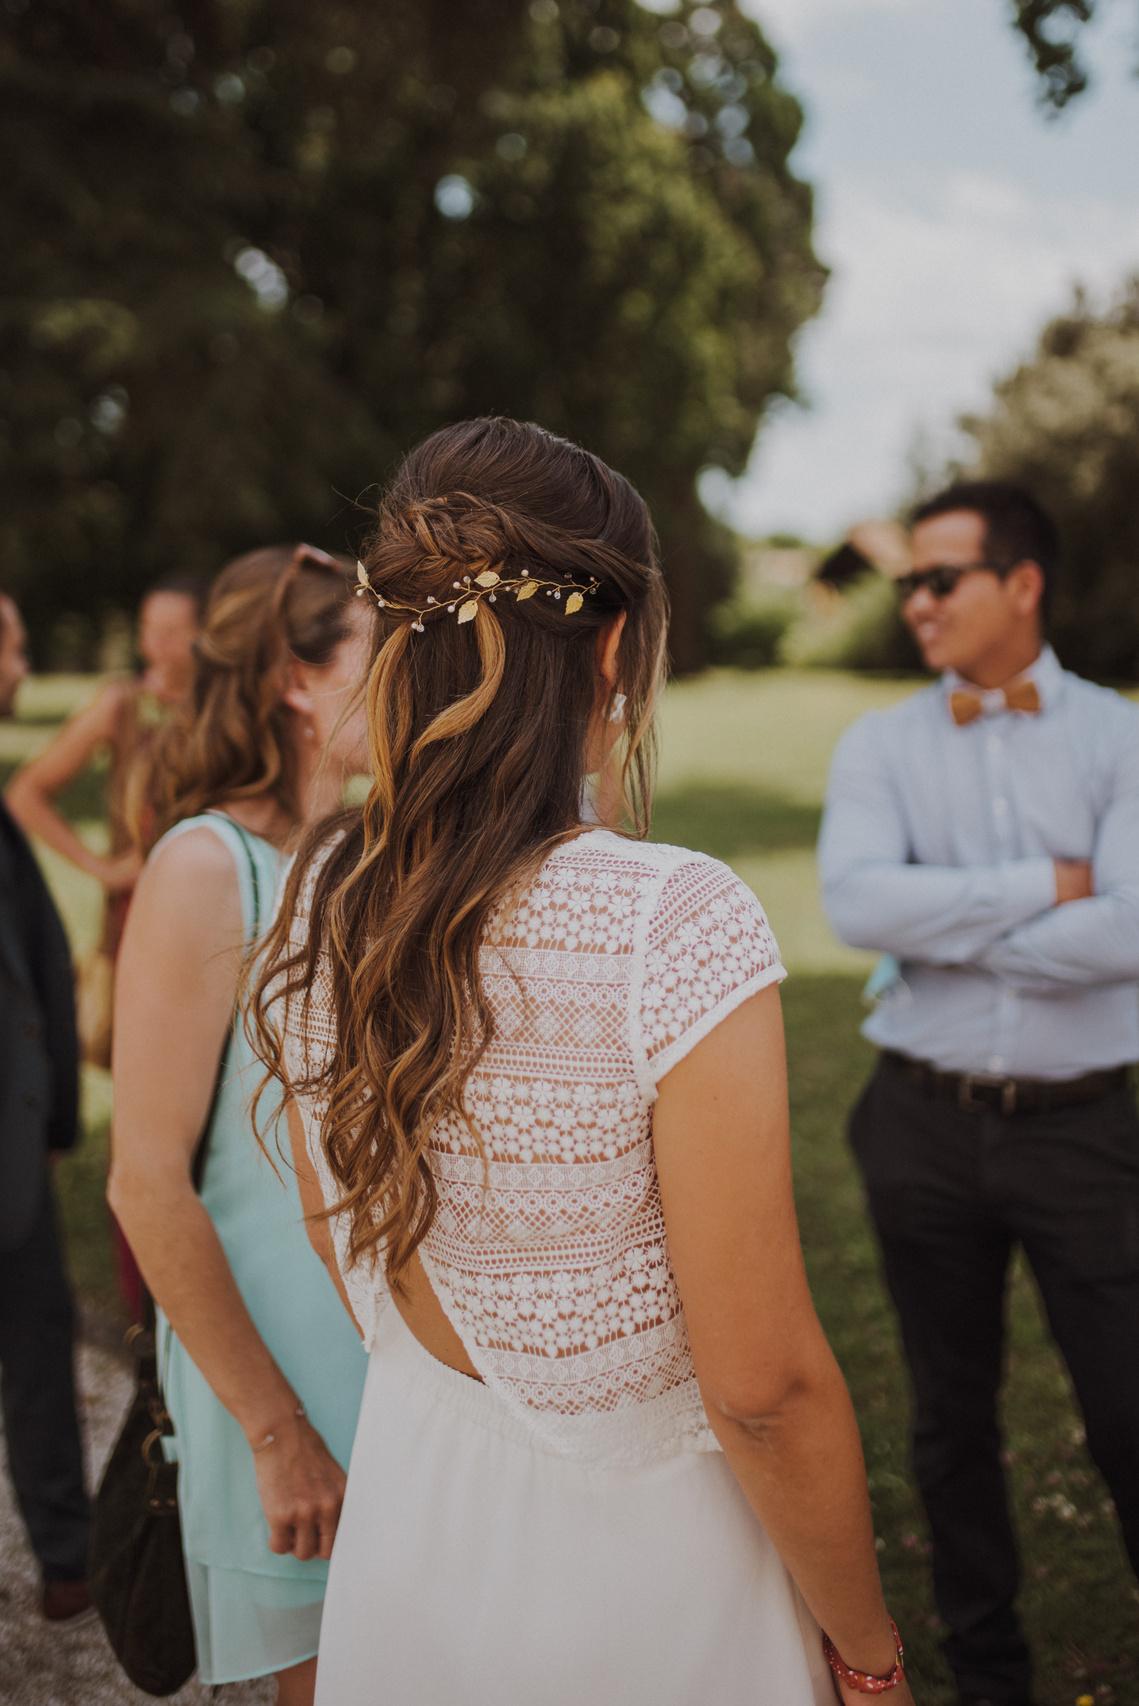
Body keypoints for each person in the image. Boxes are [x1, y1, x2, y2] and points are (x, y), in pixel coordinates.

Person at [255, 419, 914, 1706]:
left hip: (415, 1533)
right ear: (613, 643)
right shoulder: (672, 920)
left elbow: (344, 1247)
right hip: (652, 1585)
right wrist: (872, 1658)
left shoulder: (316, 893)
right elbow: (764, 1386)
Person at [819, 480, 1139, 1706]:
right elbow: (854, 905)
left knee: (1125, 1411)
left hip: (1081, 1128)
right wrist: (1046, 887)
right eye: (907, 581)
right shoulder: (879, 743)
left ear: (1021, 582)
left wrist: (945, 923)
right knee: (948, 1423)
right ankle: (987, 1673)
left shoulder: (1115, 734)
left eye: (938, 577)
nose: (915, 600)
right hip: (920, 1123)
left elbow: (1131, 931)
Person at [108, 546, 371, 1706]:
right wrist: (277, 1430)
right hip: (281, 1374)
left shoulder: (363, 857)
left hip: (387, 1366)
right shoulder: (205, 867)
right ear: (294, 679)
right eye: (386, 653)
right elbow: (146, 1183)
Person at [7, 572, 206, 1318]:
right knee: (143, 1123)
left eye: (169, 630)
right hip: (140, 928)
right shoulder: (126, 708)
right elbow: (28, 790)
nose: (153, 645)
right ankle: (141, 1310)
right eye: (146, 628)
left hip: (208, 930)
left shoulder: (225, 710)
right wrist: (102, 866)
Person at [0, 593, 92, 1624]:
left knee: (41, 1348)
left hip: (22, 1149)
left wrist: (56, 1121)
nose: (24, 664)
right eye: (15, 646)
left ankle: (68, 1560)